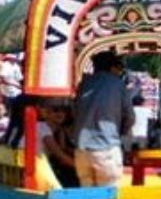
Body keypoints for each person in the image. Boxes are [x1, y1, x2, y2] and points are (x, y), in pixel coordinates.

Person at [72, 51, 134, 187]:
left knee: (86, 197)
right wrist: (122, 133)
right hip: (107, 149)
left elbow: (75, 111)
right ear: (113, 68)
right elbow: (129, 116)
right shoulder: (118, 85)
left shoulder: (84, 84)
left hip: (81, 151)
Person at [37, 101, 81, 188]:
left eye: (63, 111)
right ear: (47, 113)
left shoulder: (57, 129)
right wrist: (81, 167)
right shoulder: (42, 127)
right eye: (55, 110)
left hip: (41, 163)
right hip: (37, 164)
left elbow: (63, 149)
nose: (60, 113)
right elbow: (60, 155)